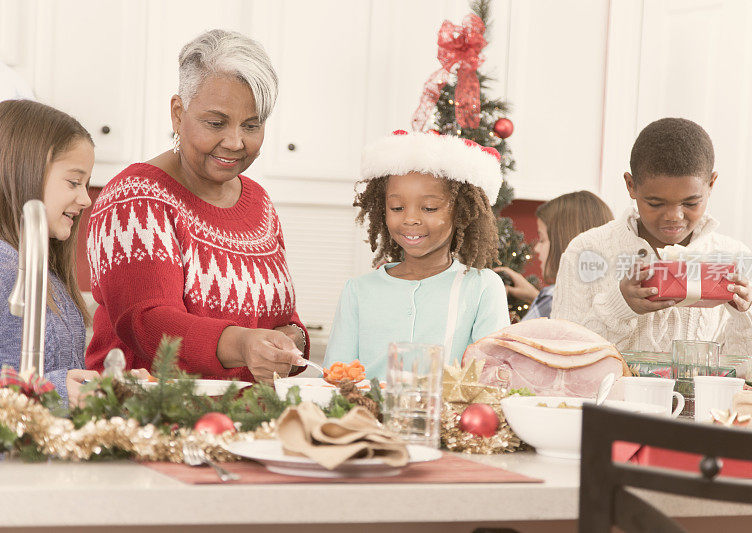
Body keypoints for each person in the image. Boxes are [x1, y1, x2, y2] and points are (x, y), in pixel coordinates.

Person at [85, 30, 309, 384]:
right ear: (178, 113)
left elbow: (284, 319)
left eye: (251, 126)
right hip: (151, 423)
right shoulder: (136, 198)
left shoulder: (260, 204)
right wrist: (246, 344)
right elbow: (149, 325)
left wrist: (290, 344)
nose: (235, 142)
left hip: (251, 425)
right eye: (216, 123)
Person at [551, 117, 752, 375]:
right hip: (612, 414)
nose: (674, 216)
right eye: (655, 203)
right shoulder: (586, 252)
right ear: (631, 185)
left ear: (711, 184)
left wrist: (749, 313)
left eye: (690, 203)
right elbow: (558, 362)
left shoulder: (735, 258)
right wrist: (619, 306)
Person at [323, 130, 511, 378]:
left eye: (429, 208)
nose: (410, 219)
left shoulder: (482, 288)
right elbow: (334, 378)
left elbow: (491, 379)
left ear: (461, 212)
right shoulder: (358, 291)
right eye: (397, 207)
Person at [0, 99, 99, 405]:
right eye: (74, 182)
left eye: (86, 184)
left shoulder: (44, 271)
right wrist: (55, 390)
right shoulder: (6, 268)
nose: (86, 199)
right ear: (24, 170)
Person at [495, 191, 613, 319]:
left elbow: (509, 339)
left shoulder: (552, 297)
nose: (536, 248)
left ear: (564, 243)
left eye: (542, 239)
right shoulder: (611, 299)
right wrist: (534, 296)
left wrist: (495, 301)